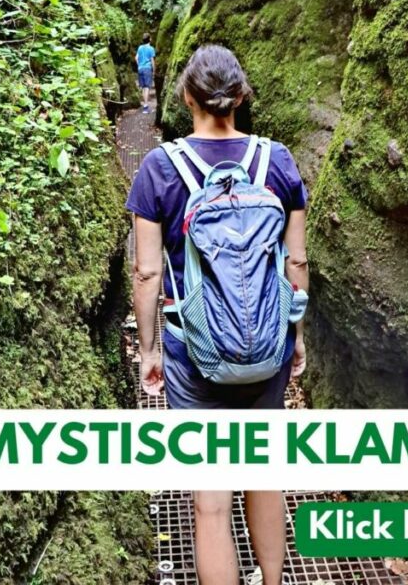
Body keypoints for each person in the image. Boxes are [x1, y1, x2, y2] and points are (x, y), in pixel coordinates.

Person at [126, 44, 309, 585]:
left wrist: (149, 350)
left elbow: (146, 274)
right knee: (264, 475)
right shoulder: (276, 162)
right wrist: (294, 336)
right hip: (267, 350)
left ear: (186, 98)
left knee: (211, 499)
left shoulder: (159, 169)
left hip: (193, 352)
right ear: (241, 97)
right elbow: (295, 260)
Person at [135, 33, 156, 114]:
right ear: (149, 39)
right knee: (147, 88)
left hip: (140, 69)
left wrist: (139, 65)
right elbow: (152, 60)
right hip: (147, 69)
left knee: (143, 87)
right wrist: (154, 70)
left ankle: (145, 104)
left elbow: (136, 58)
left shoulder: (140, 48)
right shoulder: (151, 49)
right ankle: (146, 107)